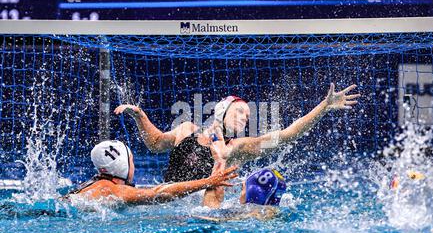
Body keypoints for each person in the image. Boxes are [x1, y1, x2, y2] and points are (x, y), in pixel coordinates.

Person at [114, 83, 360, 208]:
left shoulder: (241, 148)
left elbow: (286, 135)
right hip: (166, 202)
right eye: (240, 111)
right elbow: (155, 143)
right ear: (222, 109)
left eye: (248, 116)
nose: (245, 117)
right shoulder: (186, 129)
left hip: (202, 212)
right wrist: (139, 115)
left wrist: (323, 107)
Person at [64, 140, 238, 205]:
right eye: (131, 161)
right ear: (122, 165)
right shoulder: (111, 190)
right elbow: (158, 195)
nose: (135, 167)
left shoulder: (95, 185)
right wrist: (208, 181)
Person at [195, 168, 287, 222]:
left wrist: (211, 187)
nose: (240, 192)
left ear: (252, 193)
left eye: (243, 188)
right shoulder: (274, 213)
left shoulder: (251, 215)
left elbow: (208, 215)